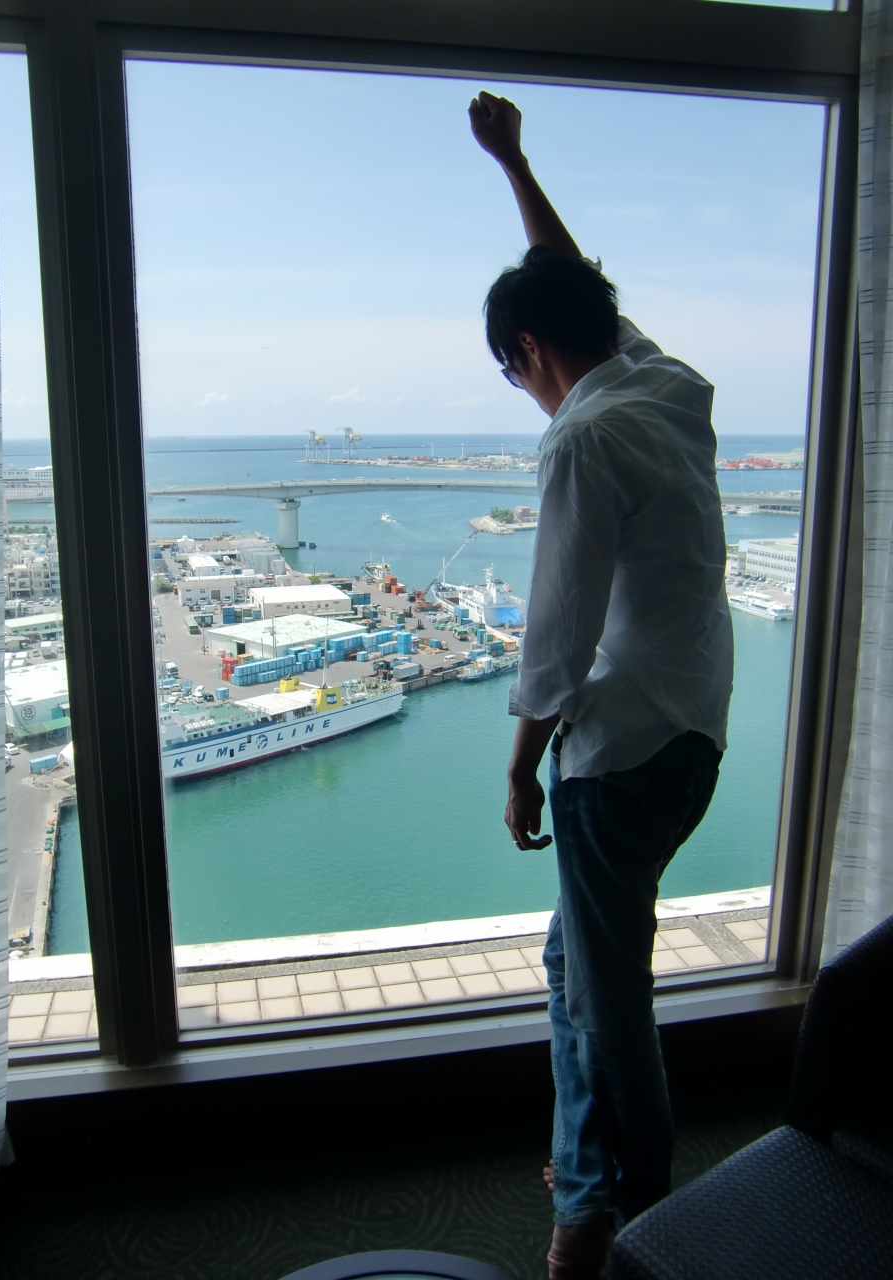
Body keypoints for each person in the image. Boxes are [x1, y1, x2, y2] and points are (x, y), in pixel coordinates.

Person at [468, 91, 734, 1279]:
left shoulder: (581, 436)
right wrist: (515, 165)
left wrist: (519, 770)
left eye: (514, 371)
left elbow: (556, 643)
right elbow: (575, 285)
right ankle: (599, 1160)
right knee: (579, 962)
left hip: (616, 757)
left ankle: (608, 1202)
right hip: (694, 731)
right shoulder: (666, 383)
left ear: (530, 351)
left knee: (600, 991)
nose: (526, 390)